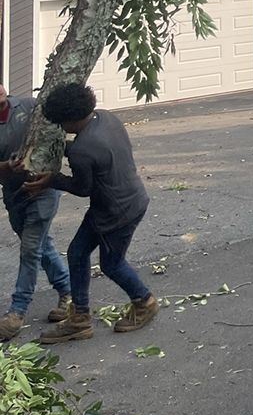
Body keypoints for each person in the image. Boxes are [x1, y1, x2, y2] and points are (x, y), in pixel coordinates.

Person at [23, 83, 157, 342]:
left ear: (71, 118)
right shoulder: (106, 117)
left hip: (116, 213)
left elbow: (82, 188)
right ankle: (80, 318)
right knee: (77, 252)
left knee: (112, 264)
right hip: (128, 199)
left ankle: (144, 302)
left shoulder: (83, 150)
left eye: (62, 124)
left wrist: (51, 179)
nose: (62, 129)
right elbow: (94, 152)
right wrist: (64, 148)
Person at [0, 84, 72, 341]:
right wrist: (6, 167)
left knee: (30, 248)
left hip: (43, 189)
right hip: (14, 194)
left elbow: (55, 134)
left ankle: (16, 312)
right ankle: (68, 293)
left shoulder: (30, 107)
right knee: (42, 246)